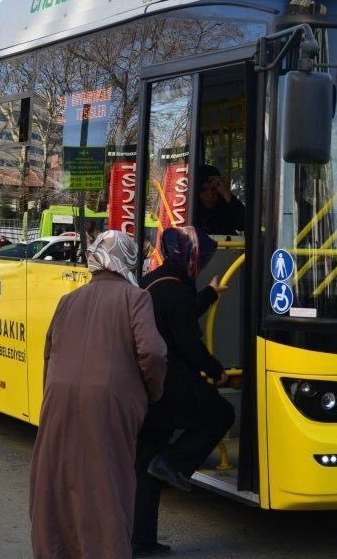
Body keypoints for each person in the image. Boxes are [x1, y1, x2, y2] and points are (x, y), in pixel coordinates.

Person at [29, 231, 168, 559]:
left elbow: (49, 351)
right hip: (109, 401)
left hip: (59, 399)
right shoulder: (135, 298)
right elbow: (153, 353)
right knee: (107, 481)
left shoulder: (69, 299)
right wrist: (151, 392)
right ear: (127, 259)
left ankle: (58, 550)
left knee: (59, 478)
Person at [133, 226, 234, 557]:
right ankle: (174, 464)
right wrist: (217, 371)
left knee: (145, 464)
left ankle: (141, 541)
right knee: (221, 414)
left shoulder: (152, 282)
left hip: (145, 386)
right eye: (201, 258)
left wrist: (210, 294)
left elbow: (180, 314)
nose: (202, 265)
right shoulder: (176, 292)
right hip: (172, 384)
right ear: (189, 257)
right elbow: (188, 342)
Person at [194, 165, 247, 236]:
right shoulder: (190, 210)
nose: (210, 195)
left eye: (214, 189)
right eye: (204, 190)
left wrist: (226, 193)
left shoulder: (226, 206)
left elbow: (244, 225)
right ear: (196, 191)